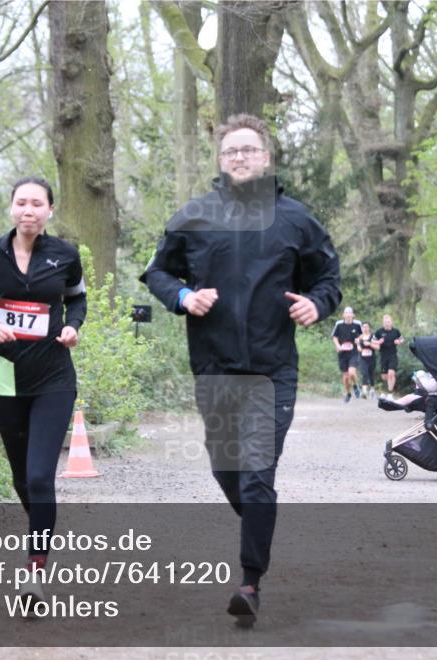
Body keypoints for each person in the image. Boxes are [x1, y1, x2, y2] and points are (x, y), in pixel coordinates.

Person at [140, 113, 341, 627]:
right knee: (226, 472)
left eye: (248, 150)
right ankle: (259, 521)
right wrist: (184, 295)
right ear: (221, 160)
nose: (239, 158)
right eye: (231, 152)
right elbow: (158, 272)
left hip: (272, 370)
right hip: (214, 367)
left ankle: (249, 582)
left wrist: (317, 305)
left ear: (266, 157)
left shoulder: (296, 218)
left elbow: (328, 279)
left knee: (256, 477)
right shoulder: (194, 216)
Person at [0, 177, 86, 603]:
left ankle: (34, 573)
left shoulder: (64, 255)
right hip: (5, 381)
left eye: (37, 204)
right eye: (21, 203)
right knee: (23, 480)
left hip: (54, 380)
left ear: (49, 211)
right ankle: (41, 527)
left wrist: (71, 326)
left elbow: (76, 300)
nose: (29, 210)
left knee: (42, 476)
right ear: (11, 208)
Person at [331, 307, 362, 402]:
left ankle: (356, 386)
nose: (348, 315)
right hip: (342, 353)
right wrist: (337, 345)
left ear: (353, 315)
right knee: (346, 376)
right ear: (343, 315)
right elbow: (334, 337)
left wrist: (359, 340)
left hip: (353, 352)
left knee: (352, 372)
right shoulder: (339, 324)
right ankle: (348, 393)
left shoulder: (357, 324)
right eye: (346, 313)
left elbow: (362, 334)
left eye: (350, 313)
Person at [373, 314, 404, 399]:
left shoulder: (396, 331)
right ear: (383, 323)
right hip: (383, 356)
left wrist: (399, 341)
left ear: (391, 322)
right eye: (385, 322)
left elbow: (402, 339)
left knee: (391, 373)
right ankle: (385, 391)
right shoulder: (379, 331)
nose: (387, 323)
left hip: (393, 355)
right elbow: (372, 340)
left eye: (388, 322)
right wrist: (378, 342)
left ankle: (390, 393)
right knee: (384, 377)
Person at [355, 322, 378, 399]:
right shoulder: (359, 337)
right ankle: (364, 392)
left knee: (371, 374)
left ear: (369, 328)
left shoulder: (373, 336)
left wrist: (370, 344)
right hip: (362, 358)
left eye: (366, 327)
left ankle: (372, 389)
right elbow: (358, 348)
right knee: (364, 373)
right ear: (361, 328)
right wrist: (359, 347)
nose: (365, 328)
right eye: (363, 327)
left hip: (371, 358)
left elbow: (377, 347)